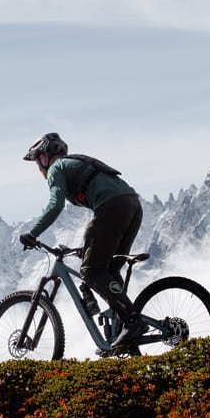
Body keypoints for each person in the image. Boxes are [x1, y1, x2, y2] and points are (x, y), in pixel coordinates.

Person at [19, 133, 144, 350]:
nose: (39, 167)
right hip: (132, 205)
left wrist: (33, 234)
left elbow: (55, 205)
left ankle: (133, 320)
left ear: (47, 156)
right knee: (109, 271)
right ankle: (123, 330)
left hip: (112, 207)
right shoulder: (74, 164)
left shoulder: (57, 169)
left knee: (91, 272)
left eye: (38, 159)